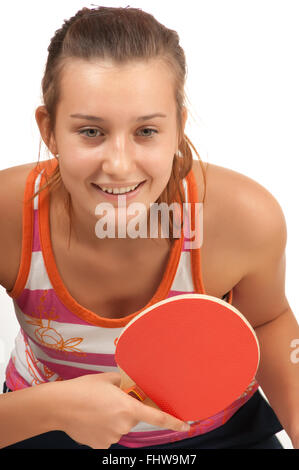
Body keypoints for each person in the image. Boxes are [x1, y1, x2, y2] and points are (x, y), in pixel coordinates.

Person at [0, 5, 298, 450]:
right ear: (49, 130)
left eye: (146, 132)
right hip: (40, 422)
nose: (119, 166)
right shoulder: (8, 216)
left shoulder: (242, 217)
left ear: (178, 126)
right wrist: (55, 409)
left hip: (217, 432)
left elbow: (268, 320)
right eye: (90, 132)